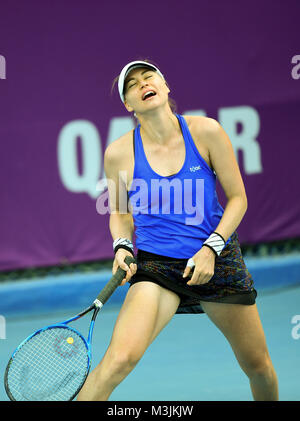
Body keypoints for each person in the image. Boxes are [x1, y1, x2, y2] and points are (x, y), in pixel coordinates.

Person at [77, 60, 278, 401]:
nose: (142, 84)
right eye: (132, 85)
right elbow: (121, 213)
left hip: (216, 256)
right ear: (129, 105)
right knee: (118, 361)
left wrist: (210, 249)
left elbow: (238, 199)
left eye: (149, 77)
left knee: (257, 366)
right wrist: (122, 246)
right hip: (158, 265)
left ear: (165, 87)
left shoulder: (207, 132)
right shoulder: (119, 153)